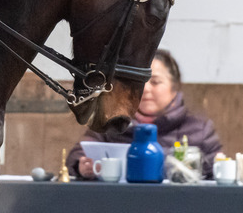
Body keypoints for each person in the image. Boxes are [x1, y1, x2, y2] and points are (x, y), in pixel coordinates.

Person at [67, 50, 223, 180]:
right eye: (140, 83)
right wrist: (82, 165)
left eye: (155, 82)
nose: (146, 89)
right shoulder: (111, 121)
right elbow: (78, 154)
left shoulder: (199, 129)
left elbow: (217, 169)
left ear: (174, 87)